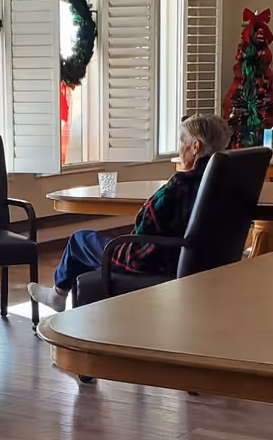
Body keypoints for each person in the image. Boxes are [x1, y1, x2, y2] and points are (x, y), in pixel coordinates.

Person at [29, 112, 231, 312]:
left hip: (154, 260)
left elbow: (144, 225)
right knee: (100, 244)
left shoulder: (181, 185)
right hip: (197, 258)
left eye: (181, 142)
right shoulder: (224, 181)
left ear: (196, 147)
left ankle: (58, 295)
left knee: (79, 240)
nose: (179, 150)